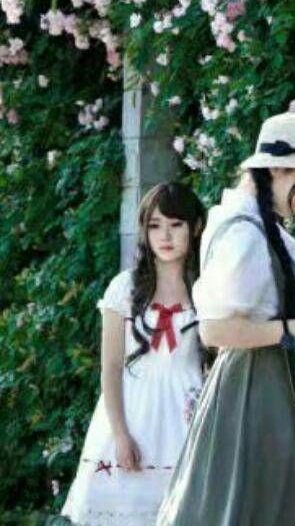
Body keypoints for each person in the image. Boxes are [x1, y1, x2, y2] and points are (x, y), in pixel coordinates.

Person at [156, 111, 295, 526]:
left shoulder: (265, 230)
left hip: (274, 388)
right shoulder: (244, 234)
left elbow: (270, 311)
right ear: (277, 168)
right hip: (253, 394)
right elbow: (215, 329)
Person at [61, 182, 207, 525]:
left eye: (175, 224)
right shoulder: (124, 288)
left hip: (187, 414)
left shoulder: (207, 287)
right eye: (155, 226)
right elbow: (110, 368)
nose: (165, 236)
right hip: (133, 414)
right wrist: (121, 435)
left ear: (195, 226)